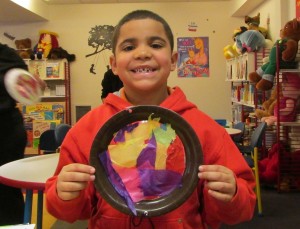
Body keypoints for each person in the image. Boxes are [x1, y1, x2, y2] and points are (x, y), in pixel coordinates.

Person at [45, 10, 256, 229]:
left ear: (174, 60)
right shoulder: (88, 129)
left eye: (155, 45)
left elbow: (243, 206)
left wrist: (232, 194)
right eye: (129, 47)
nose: (143, 53)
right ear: (114, 64)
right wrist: (64, 194)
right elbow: (70, 210)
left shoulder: (204, 129)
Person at [0, 43, 45, 225]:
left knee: (5, 193)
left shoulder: (7, 55)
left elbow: (28, 85)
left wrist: (34, 86)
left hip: (5, 130)